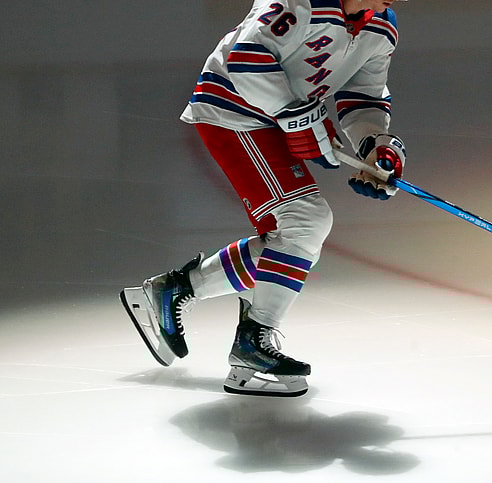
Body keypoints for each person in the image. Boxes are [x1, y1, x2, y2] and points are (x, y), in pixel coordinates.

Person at [120, 0, 408, 397]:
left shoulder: (382, 26)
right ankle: (251, 343)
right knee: (305, 221)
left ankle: (176, 292)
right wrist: (298, 117)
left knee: (290, 236)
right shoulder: (301, 1)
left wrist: (376, 146)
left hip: (274, 121)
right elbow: (247, 58)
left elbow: (364, 99)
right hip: (234, 110)